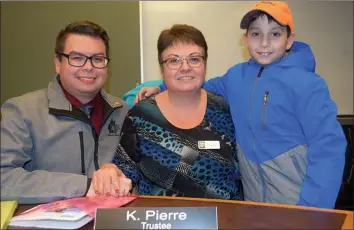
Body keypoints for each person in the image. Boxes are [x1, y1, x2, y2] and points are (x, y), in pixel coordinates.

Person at [134, 1, 346, 208]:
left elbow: (329, 147)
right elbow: (198, 85)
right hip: (254, 202)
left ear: (289, 39)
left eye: (275, 34)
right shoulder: (236, 76)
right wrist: (160, 87)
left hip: (297, 200)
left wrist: (312, 208)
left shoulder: (308, 85)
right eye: (256, 34)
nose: (264, 43)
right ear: (245, 39)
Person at [95, 24, 243, 200]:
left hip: (223, 220)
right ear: (162, 67)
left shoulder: (224, 110)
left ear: (205, 63)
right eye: (174, 60)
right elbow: (125, 170)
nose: (185, 67)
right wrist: (111, 171)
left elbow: (241, 170)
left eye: (194, 59)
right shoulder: (141, 115)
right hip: (160, 221)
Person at [1, 20, 131, 204]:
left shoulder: (123, 111)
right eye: (77, 58)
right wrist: (85, 186)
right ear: (57, 63)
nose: (88, 67)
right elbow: (4, 179)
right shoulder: (20, 112)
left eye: (98, 59)